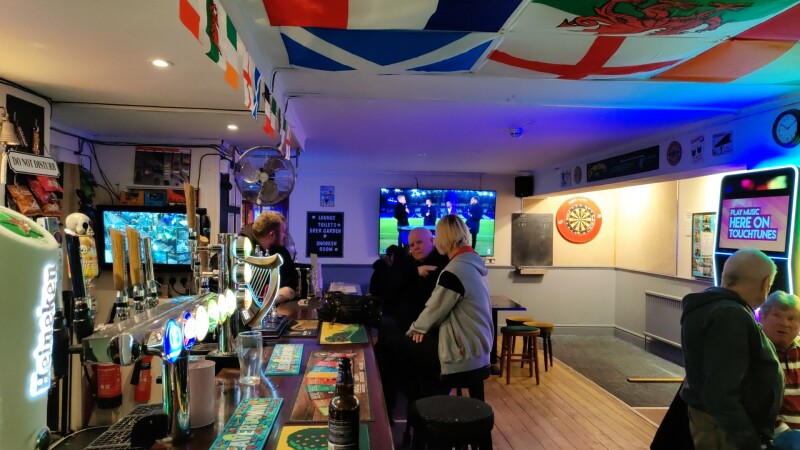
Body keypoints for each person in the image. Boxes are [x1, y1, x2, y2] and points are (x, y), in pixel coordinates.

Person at [680, 248, 783, 450]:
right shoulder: (730, 315)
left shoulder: (708, 305)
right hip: (725, 433)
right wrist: (750, 441)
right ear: (766, 283)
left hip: (713, 424)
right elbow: (722, 394)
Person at [407, 215, 494, 388]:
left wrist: (415, 329)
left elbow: (434, 309)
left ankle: (422, 402)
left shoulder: (455, 270)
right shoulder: (472, 263)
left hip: (464, 353)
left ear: (442, 238)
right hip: (480, 349)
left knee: (396, 347)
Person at [760, 291, 800, 440]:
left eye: (791, 318)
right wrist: (786, 436)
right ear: (762, 317)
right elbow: (754, 403)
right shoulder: (755, 351)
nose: (784, 323)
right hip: (773, 440)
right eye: (777, 315)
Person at [239, 210, 298, 305]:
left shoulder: (281, 252)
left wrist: (272, 299)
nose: (285, 236)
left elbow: (291, 285)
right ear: (272, 234)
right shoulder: (239, 247)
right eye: (283, 232)